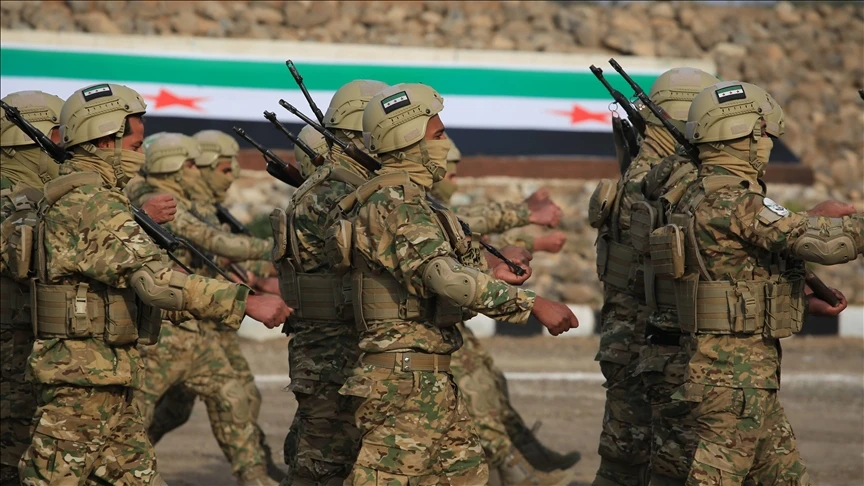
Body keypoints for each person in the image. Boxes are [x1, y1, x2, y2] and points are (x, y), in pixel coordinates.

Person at [16, 83, 292, 486]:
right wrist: (246, 302)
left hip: (108, 374)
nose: (140, 156)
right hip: (80, 380)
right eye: (135, 145)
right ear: (106, 141)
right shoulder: (90, 204)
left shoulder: (97, 199)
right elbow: (156, 281)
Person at [336, 82, 579, 485]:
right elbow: (446, 279)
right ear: (409, 139)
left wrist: (491, 270)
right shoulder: (396, 205)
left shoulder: (414, 202)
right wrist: (531, 304)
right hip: (402, 385)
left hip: (429, 378)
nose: (445, 145)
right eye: (439, 135)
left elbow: (439, 271)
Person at [655, 80, 861, 485]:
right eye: (764, 134)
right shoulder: (733, 201)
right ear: (745, 135)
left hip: (742, 376)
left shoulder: (691, 192)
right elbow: (827, 244)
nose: (766, 145)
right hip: (732, 381)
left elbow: (744, 273)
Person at [588, 67, 719, 486]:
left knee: (624, 461)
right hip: (655, 345)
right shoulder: (668, 178)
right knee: (667, 465)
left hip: (625, 341)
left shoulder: (641, 168)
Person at [126, 132, 279, 485]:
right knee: (132, 416)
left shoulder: (184, 202)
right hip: (162, 333)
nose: (200, 171)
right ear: (172, 166)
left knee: (232, 397)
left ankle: (255, 477)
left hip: (194, 329)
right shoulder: (159, 202)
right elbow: (215, 242)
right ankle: (126, 467)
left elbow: (213, 258)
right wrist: (277, 248)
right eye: (193, 165)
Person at [273, 79, 388, 486]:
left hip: (329, 346)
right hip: (333, 350)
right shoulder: (337, 191)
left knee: (321, 455)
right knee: (322, 465)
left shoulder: (336, 185)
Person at [433, 139, 568, 255]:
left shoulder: (432, 207)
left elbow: (475, 235)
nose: (455, 184)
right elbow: (462, 220)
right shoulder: (427, 211)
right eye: (451, 177)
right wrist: (526, 213)